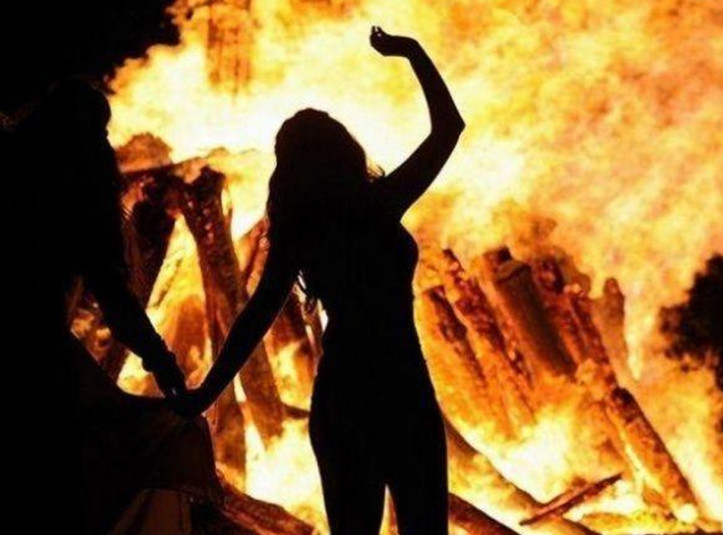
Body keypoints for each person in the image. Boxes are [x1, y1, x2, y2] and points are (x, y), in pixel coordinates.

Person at [177, 27, 465, 535]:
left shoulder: (300, 233)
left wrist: (206, 394)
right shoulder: (378, 206)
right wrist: (410, 51)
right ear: (344, 151)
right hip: (402, 389)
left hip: (344, 396)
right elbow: (449, 128)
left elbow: (254, 319)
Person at [15, 79, 220, 535]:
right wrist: (164, 365)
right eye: (100, 133)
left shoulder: (23, 175)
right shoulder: (76, 196)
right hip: (39, 364)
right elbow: (116, 299)